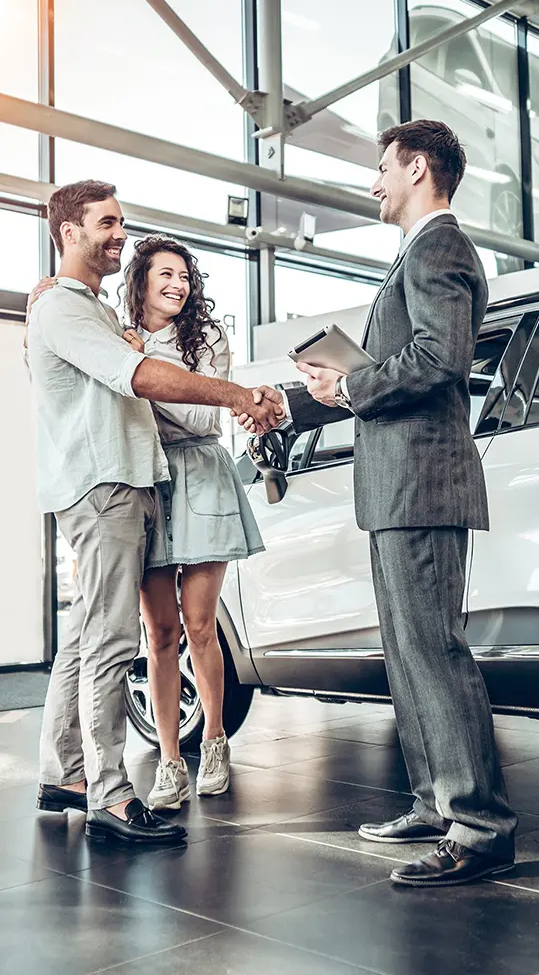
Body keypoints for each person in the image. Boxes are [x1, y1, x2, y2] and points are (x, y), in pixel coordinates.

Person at [241, 120, 518, 887]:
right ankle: (435, 803)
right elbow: (388, 368)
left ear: (417, 167)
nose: (373, 183)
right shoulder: (417, 253)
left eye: (382, 169)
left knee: (433, 652)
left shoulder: (438, 248)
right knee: (408, 654)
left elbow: (438, 359)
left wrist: (351, 384)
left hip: (421, 483)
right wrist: (298, 402)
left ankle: (479, 827)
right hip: (397, 486)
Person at [26, 180, 281, 844]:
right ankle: (111, 796)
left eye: (121, 224)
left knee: (85, 637)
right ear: (69, 232)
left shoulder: (88, 307)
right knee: (114, 642)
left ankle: (64, 774)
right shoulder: (65, 308)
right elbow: (136, 376)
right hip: (105, 487)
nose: (119, 234)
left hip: (124, 484)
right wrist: (235, 395)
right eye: (106, 223)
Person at [119, 234, 264, 808]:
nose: (177, 285)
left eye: (184, 276)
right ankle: (171, 761)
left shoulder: (208, 336)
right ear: (142, 281)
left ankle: (215, 739)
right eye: (166, 275)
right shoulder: (121, 335)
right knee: (158, 633)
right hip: (147, 478)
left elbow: (203, 418)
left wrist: (144, 372)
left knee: (201, 625)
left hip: (202, 476)